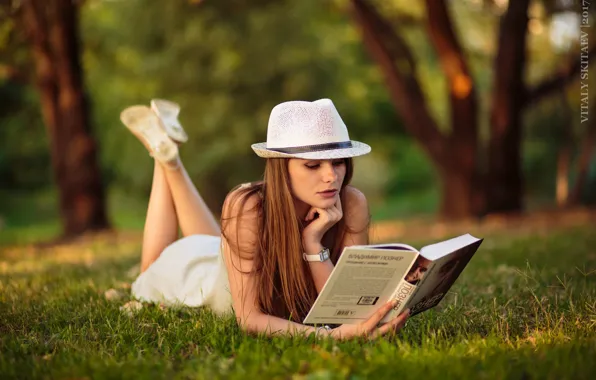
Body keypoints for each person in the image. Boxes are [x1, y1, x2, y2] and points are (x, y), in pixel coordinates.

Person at [119, 98, 410, 339]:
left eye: (338, 162)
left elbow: (344, 309)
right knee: (148, 272)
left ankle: (168, 154)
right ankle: (164, 157)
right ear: (281, 167)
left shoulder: (351, 202)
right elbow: (249, 318)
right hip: (197, 279)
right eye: (312, 165)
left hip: (224, 253)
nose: (330, 177)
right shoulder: (247, 207)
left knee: (212, 242)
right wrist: (330, 337)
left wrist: (312, 244)